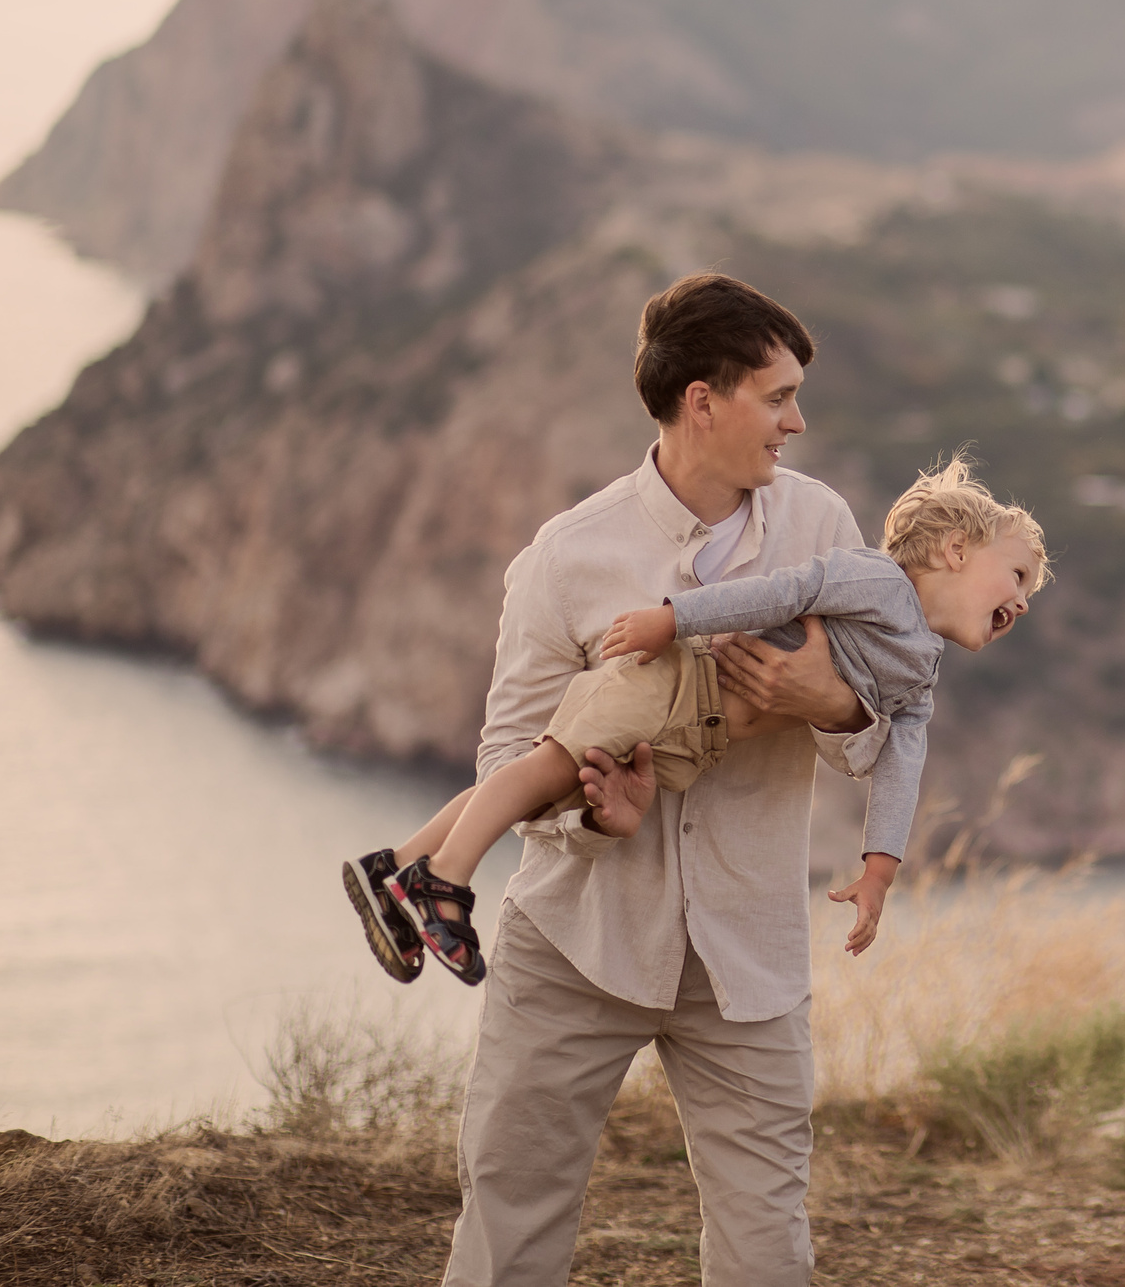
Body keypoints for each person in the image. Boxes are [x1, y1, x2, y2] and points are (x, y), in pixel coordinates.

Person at [367, 272, 913, 1287]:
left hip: (748, 961)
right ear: (702, 401)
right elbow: (507, 760)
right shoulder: (567, 558)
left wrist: (823, 702)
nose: (797, 421)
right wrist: (591, 816)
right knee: (509, 1225)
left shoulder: (823, 530)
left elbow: (874, 722)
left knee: (767, 1247)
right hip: (578, 944)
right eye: (777, 396)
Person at [344, 455, 1049, 985]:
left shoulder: (921, 669)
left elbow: (901, 760)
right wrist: (670, 619)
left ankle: (397, 865)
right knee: (546, 767)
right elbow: (782, 591)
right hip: (680, 677)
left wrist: (880, 869)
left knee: (545, 784)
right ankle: (447, 880)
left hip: (696, 738)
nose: (1022, 602)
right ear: (956, 550)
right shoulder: (877, 582)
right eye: (1017, 576)